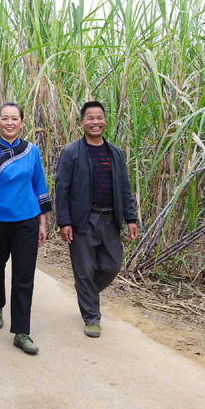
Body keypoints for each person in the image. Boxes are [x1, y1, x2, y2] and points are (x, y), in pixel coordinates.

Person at [55, 100, 139, 338]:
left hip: (110, 219)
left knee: (112, 266)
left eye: (99, 117)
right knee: (84, 270)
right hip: (83, 220)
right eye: (90, 118)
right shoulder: (71, 152)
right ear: (81, 123)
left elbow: (125, 188)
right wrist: (64, 222)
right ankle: (91, 317)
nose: (95, 122)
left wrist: (130, 218)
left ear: (105, 121)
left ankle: (86, 293)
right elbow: (62, 189)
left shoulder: (115, 153)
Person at [0, 102, 51, 355]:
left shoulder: (32, 151)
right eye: (4, 118)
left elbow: (39, 186)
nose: (9, 122)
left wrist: (42, 222)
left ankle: (21, 331)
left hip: (27, 221)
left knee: (23, 275)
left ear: (21, 122)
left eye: (14, 118)